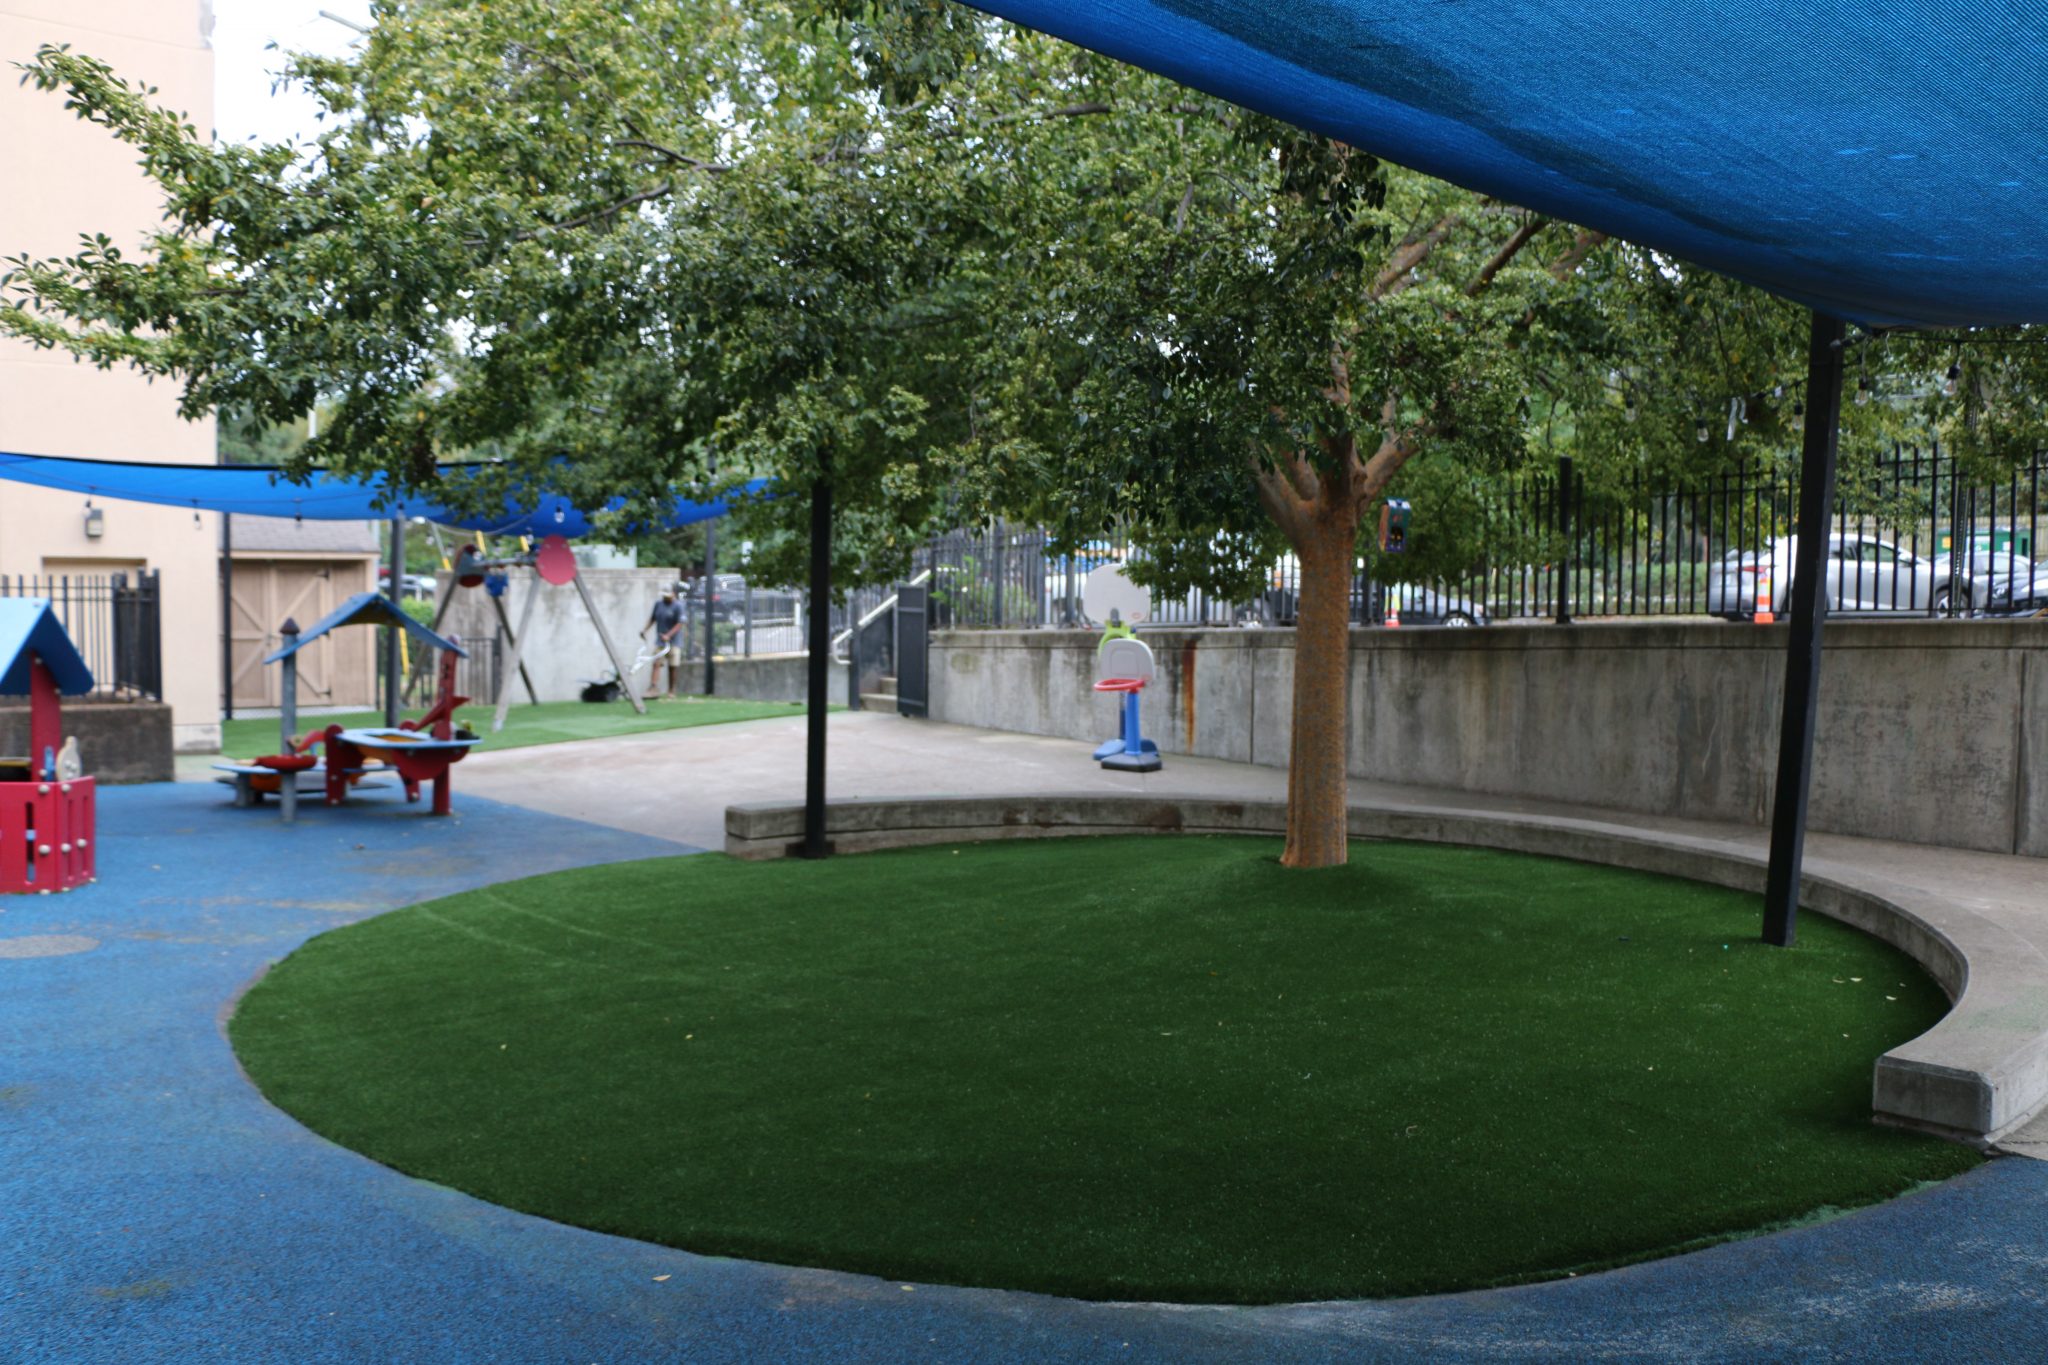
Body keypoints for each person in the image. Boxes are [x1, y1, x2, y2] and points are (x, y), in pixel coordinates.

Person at [642, 584, 685, 697]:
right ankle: (653, 688)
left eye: (668, 595)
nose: (665, 597)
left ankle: (671, 690)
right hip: (660, 642)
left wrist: (668, 635)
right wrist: (645, 630)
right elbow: (653, 618)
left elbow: (680, 623)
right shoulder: (658, 604)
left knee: (672, 666)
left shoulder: (678, 606)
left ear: (673, 594)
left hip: (674, 642)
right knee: (656, 663)